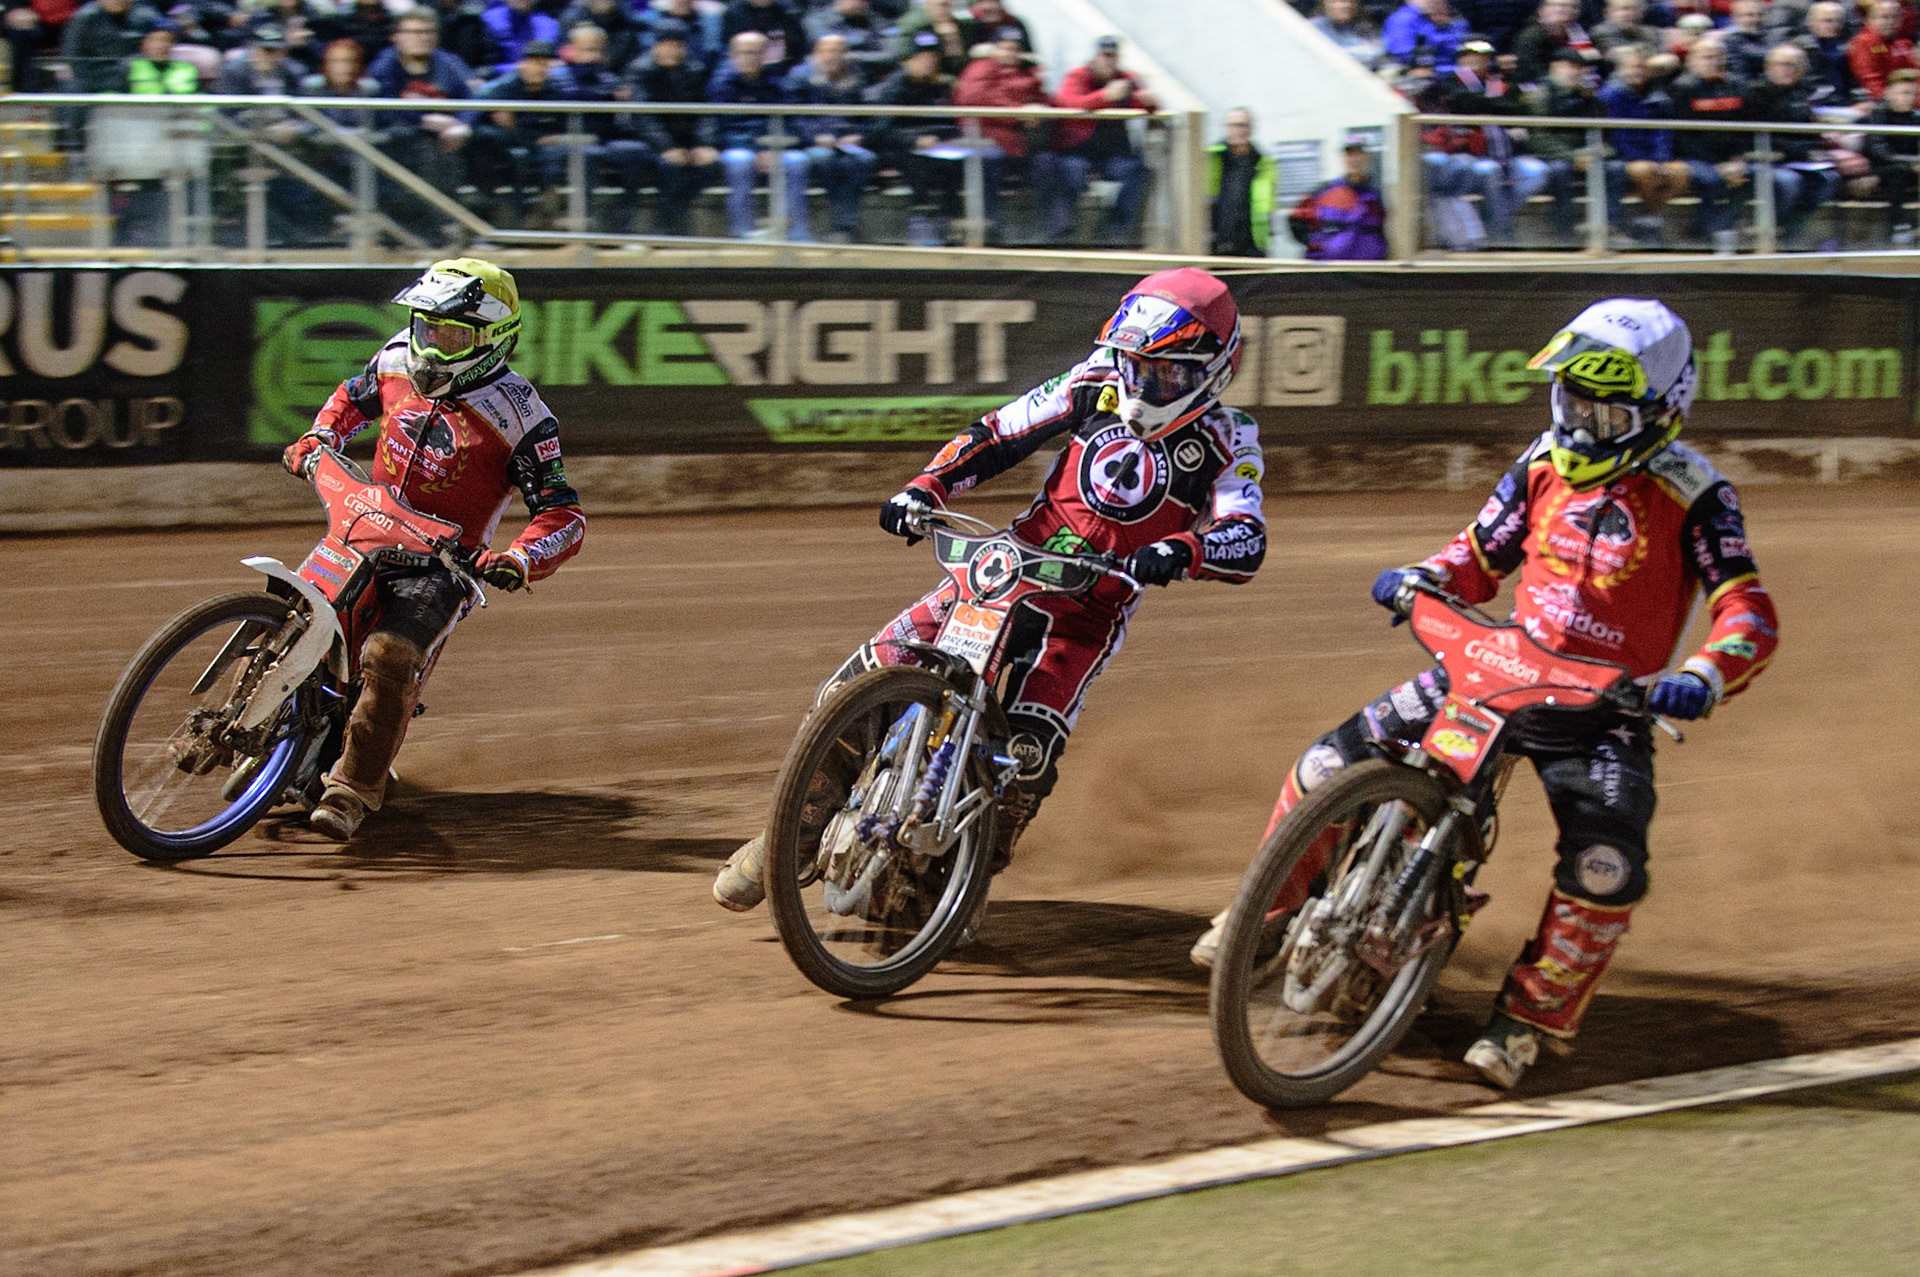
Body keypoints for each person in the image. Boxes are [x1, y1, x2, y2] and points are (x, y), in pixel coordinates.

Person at [1190, 297, 1779, 1092]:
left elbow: (1748, 609)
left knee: (1607, 865)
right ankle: (1261, 916)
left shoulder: (1697, 494)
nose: (1583, 419)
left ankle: (1528, 1019)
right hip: (1495, 660)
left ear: (1661, 410)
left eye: (1605, 409)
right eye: (1572, 397)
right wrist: (1425, 577)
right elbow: (1478, 555)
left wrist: (1702, 676)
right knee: (1327, 764)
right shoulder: (1541, 462)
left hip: (1606, 708)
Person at [712, 268, 1265, 914]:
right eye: (1135, 366)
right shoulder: (1093, 381)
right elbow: (999, 432)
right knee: (857, 683)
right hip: (1005, 569)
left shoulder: (1231, 439)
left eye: (1165, 373)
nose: (1143, 384)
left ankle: (954, 888)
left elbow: (1246, 534)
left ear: (1216, 368)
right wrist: (927, 486)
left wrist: (1184, 550)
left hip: (1085, 613)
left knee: (1024, 760)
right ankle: (791, 832)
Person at [279, 259, 586, 843]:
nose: (433, 343)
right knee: (302, 617)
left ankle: (352, 790)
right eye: (428, 327)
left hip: (442, 567)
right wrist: (322, 436)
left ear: (493, 339)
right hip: (363, 530)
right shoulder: (395, 359)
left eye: (453, 334)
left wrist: (519, 558)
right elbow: (349, 398)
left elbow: (563, 514)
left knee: (390, 655)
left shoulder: (523, 417)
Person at [1416, 39, 1545, 248]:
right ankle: (1501, 232)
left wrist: (1486, 106)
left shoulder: (1500, 82)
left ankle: (1496, 218)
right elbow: (1466, 101)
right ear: (1461, 58)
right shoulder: (1449, 83)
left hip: (1508, 153)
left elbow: (1516, 108)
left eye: (1482, 56)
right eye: (1471, 55)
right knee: (1490, 170)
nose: (1477, 60)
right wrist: (1495, 107)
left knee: (1537, 171)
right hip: (1470, 155)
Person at [1049, 34, 1157, 246]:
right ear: (1095, 56)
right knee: (1070, 172)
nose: (1108, 61)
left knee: (1135, 170)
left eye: (1112, 56)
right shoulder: (1077, 76)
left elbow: (1148, 104)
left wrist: (1148, 101)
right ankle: (1069, 233)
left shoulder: (1127, 78)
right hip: (1078, 150)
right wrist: (1104, 97)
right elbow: (1069, 103)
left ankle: (1119, 230)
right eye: (1104, 56)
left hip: (1113, 153)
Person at [708, 29, 812, 238]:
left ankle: (796, 233)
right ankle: (741, 231)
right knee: (741, 162)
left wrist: (772, 148)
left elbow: (789, 120)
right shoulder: (721, 84)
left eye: (757, 53)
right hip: (737, 147)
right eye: (745, 53)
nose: (750, 58)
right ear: (733, 55)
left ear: (766, 55)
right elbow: (722, 127)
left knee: (797, 161)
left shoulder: (777, 83)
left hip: (774, 146)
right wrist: (756, 149)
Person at [952, 24, 1050, 240]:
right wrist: (1020, 112)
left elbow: (1041, 100)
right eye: (1005, 48)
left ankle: (1050, 230)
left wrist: (1037, 111)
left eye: (1014, 49)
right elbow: (974, 98)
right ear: (994, 48)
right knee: (990, 159)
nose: (1010, 53)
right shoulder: (980, 68)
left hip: (1020, 142)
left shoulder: (1026, 73)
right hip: (984, 138)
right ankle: (988, 226)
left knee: (1049, 163)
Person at [868, 28, 966, 244]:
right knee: (920, 163)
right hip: (896, 149)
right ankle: (921, 220)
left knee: (956, 163)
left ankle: (949, 222)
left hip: (936, 147)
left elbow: (946, 121)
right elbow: (878, 131)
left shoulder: (939, 86)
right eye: (922, 57)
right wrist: (914, 140)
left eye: (932, 57)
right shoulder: (894, 87)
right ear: (909, 60)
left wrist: (946, 137)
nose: (928, 62)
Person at [556, 22, 654, 232]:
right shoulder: (559, 76)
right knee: (588, 153)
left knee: (634, 151)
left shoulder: (607, 77)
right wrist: (607, 95)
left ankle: (625, 223)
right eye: (587, 50)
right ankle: (582, 222)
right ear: (572, 50)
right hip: (566, 140)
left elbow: (618, 100)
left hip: (602, 139)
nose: (593, 56)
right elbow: (572, 96)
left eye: (598, 50)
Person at [625, 16, 717, 235]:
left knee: (710, 165)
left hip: (685, 140)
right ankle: (664, 227)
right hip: (649, 140)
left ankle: (673, 219)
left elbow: (704, 113)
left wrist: (704, 144)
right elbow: (642, 116)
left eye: (678, 46)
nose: (672, 51)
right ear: (656, 46)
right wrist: (666, 147)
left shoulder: (694, 70)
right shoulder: (640, 70)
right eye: (666, 45)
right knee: (671, 167)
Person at [1744, 43, 1843, 247]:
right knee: (1789, 182)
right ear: (1768, 67)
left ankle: (1792, 230)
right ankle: (1772, 233)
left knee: (1829, 177)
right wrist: (1805, 153)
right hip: (1767, 157)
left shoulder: (1802, 93)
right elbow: (1763, 135)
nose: (1789, 70)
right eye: (1784, 64)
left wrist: (1822, 142)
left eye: (1795, 65)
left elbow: (1807, 130)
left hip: (1799, 159)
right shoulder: (1756, 93)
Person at [783, 32, 879, 241]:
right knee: (824, 159)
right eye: (827, 51)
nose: (832, 56)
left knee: (865, 159)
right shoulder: (799, 76)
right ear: (816, 53)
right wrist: (815, 137)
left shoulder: (856, 76)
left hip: (847, 142)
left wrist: (858, 135)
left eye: (838, 51)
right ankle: (844, 224)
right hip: (814, 142)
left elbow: (870, 115)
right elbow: (792, 116)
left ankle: (843, 225)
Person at [1600, 44, 1690, 243]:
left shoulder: (1659, 96)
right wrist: (1644, 161)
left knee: (1680, 173)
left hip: (1653, 157)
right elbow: (1617, 135)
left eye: (1642, 67)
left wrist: (1661, 160)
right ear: (1621, 70)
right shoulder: (1610, 96)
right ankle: (1647, 224)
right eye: (1632, 67)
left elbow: (1662, 133)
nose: (1638, 72)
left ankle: (1647, 218)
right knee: (1644, 171)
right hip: (1623, 155)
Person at [1670, 36, 1748, 248]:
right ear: (1692, 61)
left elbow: (1744, 128)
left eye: (1718, 57)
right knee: (1713, 180)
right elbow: (1681, 135)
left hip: (1729, 158)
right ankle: (1699, 233)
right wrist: (1718, 165)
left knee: (1751, 177)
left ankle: (1724, 228)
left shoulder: (1736, 85)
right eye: (1707, 57)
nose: (1714, 62)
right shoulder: (1683, 88)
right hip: (1692, 157)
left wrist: (1738, 159)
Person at [1526, 47, 1603, 239]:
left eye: (1579, 68)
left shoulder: (1587, 97)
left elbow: (1599, 132)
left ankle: (1610, 228)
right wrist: (1573, 157)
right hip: (1550, 155)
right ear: (1554, 67)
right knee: (1560, 170)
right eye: (1569, 67)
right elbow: (1539, 137)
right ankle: (1563, 232)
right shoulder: (1541, 94)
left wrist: (1594, 152)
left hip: (1583, 153)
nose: (1575, 72)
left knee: (1613, 169)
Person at [1288, 140, 1388, 258]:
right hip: (1331, 268)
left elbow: (1384, 230)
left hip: (1366, 268)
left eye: (1358, 154)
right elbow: (1297, 220)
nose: (1354, 160)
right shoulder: (1325, 191)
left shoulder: (1377, 196)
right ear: (1343, 159)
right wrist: (1318, 246)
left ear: (1367, 157)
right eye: (1349, 155)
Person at [1208, 107, 1276, 257]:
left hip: (1253, 243)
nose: (1238, 130)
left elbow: (1267, 205)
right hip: (1218, 241)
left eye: (1243, 125)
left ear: (1251, 129)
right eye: (1233, 125)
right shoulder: (1213, 157)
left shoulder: (1263, 162)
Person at [1865, 66, 1920, 240]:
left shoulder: (1916, 118)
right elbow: (1877, 148)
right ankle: (1897, 224)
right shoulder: (1879, 115)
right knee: (1898, 172)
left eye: (1912, 93)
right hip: (1883, 169)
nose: (1908, 98)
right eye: (1904, 92)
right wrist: (1910, 162)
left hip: (1912, 167)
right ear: (1890, 93)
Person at [60, 0, 159, 91]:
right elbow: (72, 55)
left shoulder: (144, 16)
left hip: (134, 73)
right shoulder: (85, 18)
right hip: (94, 76)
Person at [1849, 0, 1916, 98]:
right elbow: (1870, 81)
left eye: (1895, 17)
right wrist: (1890, 99)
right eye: (1885, 17)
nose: (1891, 22)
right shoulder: (1864, 43)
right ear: (1870, 19)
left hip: (1906, 100)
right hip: (1880, 103)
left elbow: (1914, 76)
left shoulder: (1905, 44)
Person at [1382, 0, 1469, 73]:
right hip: (1421, 73)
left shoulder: (1452, 18)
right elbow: (1404, 56)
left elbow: (1462, 47)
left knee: (1472, 80)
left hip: (1455, 70)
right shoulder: (1402, 19)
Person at [481, 0, 559, 72]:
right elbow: (484, 67)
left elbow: (553, 60)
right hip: (500, 79)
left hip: (542, 78)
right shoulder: (489, 20)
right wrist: (520, 68)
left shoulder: (549, 24)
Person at [124, 18, 197, 91]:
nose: (161, 46)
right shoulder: (128, 67)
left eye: (167, 41)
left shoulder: (186, 68)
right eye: (156, 40)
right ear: (144, 43)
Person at [1312, 0, 1385, 69]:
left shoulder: (1364, 27)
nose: (1347, 6)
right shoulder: (1312, 29)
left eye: (1352, 1)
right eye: (1340, 1)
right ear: (1326, 3)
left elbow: (1378, 51)